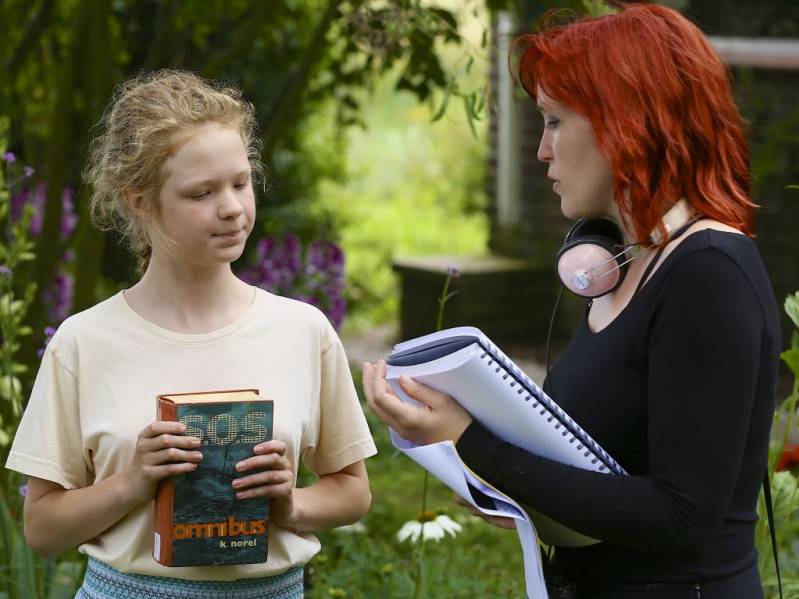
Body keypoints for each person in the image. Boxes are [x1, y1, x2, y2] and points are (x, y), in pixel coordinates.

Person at [362, 3, 781, 598]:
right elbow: (603, 483)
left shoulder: (707, 274)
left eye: (555, 121)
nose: (541, 151)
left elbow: (681, 518)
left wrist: (471, 442)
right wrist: (500, 482)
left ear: (627, 123)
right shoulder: (625, 266)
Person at [6, 70, 376, 598]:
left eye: (240, 183)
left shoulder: (302, 331)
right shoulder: (83, 343)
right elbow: (42, 528)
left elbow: (352, 490)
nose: (231, 207)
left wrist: (291, 502)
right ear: (140, 201)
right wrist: (133, 481)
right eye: (201, 192)